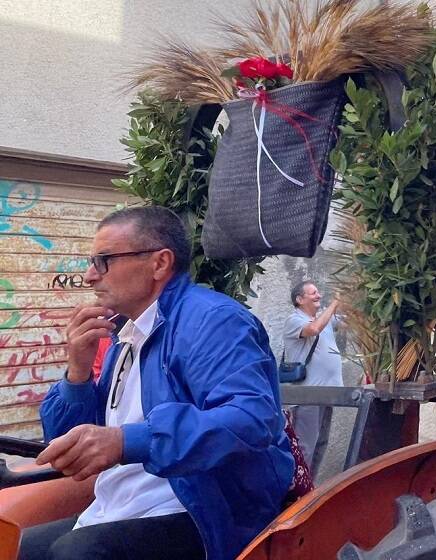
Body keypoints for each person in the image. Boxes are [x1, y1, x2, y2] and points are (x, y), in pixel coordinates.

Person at [26, 207, 293, 560]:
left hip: (208, 513)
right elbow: (67, 449)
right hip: (120, 507)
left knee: (75, 553)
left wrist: (127, 441)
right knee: (20, 545)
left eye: (103, 260)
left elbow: (251, 419)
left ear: (159, 263)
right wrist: (77, 374)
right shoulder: (126, 335)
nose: (90, 276)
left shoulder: (213, 320)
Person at [283, 280, 343, 473]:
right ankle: (298, 496)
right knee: (305, 447)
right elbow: (313, 329)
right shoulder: (294, 320)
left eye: (318, 292)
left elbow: (350, 322)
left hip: (328, 392)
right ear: (299, 299)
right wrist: (334, 304)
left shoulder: (325, 320)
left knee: (321, 444)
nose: (319, 296)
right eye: (313, 293)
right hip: (308, 394)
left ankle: (310, 489)